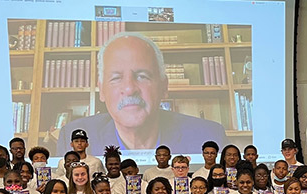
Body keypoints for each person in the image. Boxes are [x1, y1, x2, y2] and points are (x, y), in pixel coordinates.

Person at [57, 32, 227, 153]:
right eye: (116, 78)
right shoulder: (72, 137)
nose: (130, 89)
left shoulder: (209, 136)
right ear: (101, 90)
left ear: (163, 87)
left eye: (142, 76)